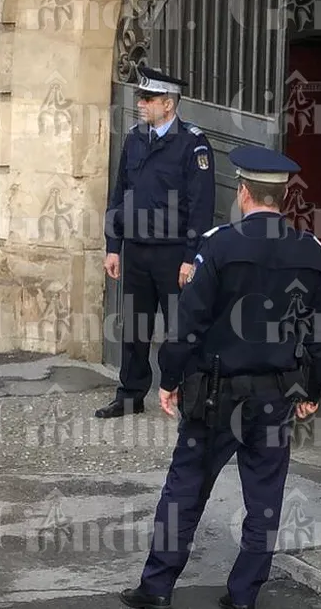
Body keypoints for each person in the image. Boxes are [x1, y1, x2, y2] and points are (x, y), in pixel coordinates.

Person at [119, 146, 321, 609]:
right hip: (275, 396)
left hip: (215, 397)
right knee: (264, 500)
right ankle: (243, 596)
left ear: (243, 193)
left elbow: (189, 323)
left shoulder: (219, 244)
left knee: (185, 489)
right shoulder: (311, 252)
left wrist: (168, 378)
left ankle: (156, 587)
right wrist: (312, 388)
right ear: (283, 197)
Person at [100, 65, 216, 419]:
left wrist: (190, 257)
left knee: (181, 327)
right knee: (135, 326)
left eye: (148, 98)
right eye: (140, 97)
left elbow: (201, 207)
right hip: (136, 249)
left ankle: (185, 394)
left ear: (168, 103)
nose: (140, 103)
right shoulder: (136, 138)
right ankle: (130, 394)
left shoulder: (192, 144)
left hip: (172, 253)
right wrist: (113, 245)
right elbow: (120, 193)